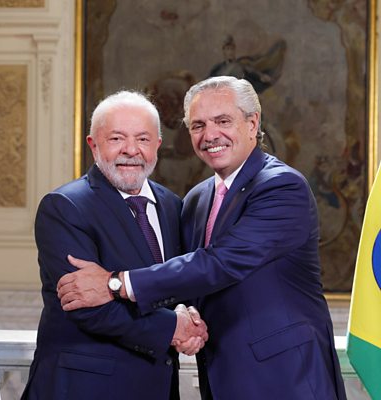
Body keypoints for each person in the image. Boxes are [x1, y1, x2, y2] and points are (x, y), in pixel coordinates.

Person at [57, 77, 347, 400]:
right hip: (221, 381)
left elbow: (221, 263)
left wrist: (115, 283)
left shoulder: (282, 187)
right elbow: (189, 279)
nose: (210, 135)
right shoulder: (197, 199)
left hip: (287, 381)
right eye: (198, 125)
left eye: (223, 121)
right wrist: (182, 319)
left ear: (253, 124)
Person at [21, 91, 208, 400]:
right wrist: (174, 328)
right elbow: (87, 308)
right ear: (93, 144)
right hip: (83, 388)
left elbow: (176, 283)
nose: (131, 150)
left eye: (143, 139)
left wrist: (189, 316)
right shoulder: (64, 207)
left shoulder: (172, 205)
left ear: (157, 146)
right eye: (116, 138)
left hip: (156, 387)